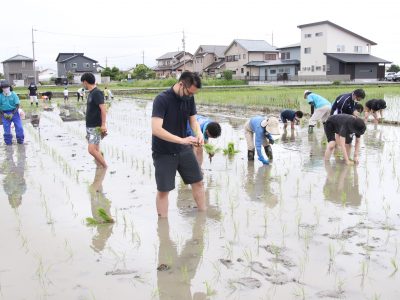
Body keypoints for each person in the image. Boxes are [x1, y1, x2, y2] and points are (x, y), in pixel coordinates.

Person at [151, 71, 206, 218]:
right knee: (164, 190)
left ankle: (203, 218)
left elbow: (193, 121)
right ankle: (163, 228)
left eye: (193, 94)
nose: (190, 96)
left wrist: (199, 134)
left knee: (198, 182)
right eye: (189, 92)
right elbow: (156, 129)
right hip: (163, 151)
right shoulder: (162, 100)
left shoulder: (189, 98)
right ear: (181, 84)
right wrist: (181, 140)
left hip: (184, 149)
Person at [81, 73, 107, 168]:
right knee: (96, 149)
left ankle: (105, 166)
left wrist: (103, 125)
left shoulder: (97, 93)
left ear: (85, 82)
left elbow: (103, 109)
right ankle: (99, 166)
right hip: (90, 126)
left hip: (95, 127)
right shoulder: (91, 93)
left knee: (91, 150)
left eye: (82, 83)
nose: (83, 85)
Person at [0, 80, 24, 145]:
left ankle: (20, 141)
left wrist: (12, 114)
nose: (5, 89)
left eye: (7, 87)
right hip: (4, 113)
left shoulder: (14, 95)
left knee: (19, 128)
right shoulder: (0, 96)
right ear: (1, 88)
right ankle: (8, 143)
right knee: (6, 130)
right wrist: (3, 114)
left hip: (14, 113)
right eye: (4, 88)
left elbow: (17, 105)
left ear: (9, 87)